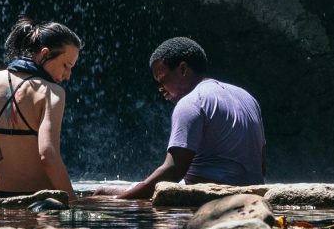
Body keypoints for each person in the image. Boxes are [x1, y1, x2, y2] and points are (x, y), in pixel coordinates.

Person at [111, 36, 264, 201]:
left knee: (102, 193)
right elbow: (261, 163)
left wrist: (119, 202)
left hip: (210, 196)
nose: (160, 89)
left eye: (162, 80)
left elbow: (173, 172)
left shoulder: (192, 102)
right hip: (252, 195)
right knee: (117, 189)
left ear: (183, 69)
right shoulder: (246, 97)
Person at [0, 17, 80, 200]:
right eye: (66, 65)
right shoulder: (52, 92)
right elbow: (48, 156)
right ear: (45, 53)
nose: (68, 75)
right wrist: (72, 202)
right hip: (36, 197)